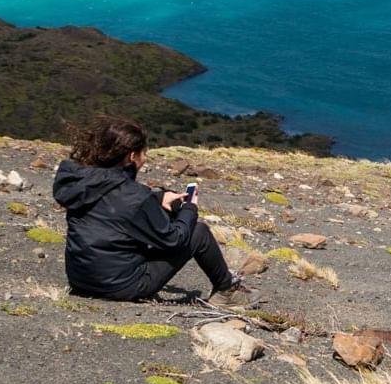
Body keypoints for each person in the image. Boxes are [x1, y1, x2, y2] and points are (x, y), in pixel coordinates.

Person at [52, 116, 246, 304]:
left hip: (80, 280)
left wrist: (158, 198)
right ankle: (226, 291)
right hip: (121, 286)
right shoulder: (135, 196)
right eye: (143, 153)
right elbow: (173, 239)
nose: (145, 159)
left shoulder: (83, 182)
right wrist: (189, 208)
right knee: (198, 231)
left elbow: (114, 205)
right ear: (131, 156)